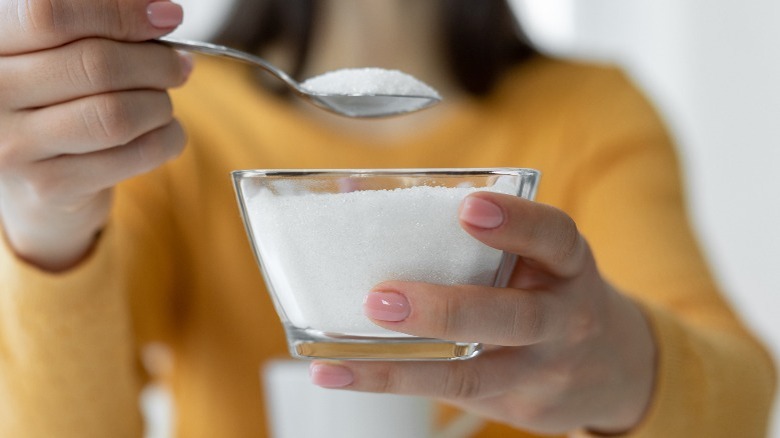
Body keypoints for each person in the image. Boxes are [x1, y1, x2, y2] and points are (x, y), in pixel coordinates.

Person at [0, 0, 775, 436]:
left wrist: (625, 370)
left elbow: (745, 397)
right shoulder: (160, 127)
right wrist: (47, 226)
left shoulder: (591, 114)